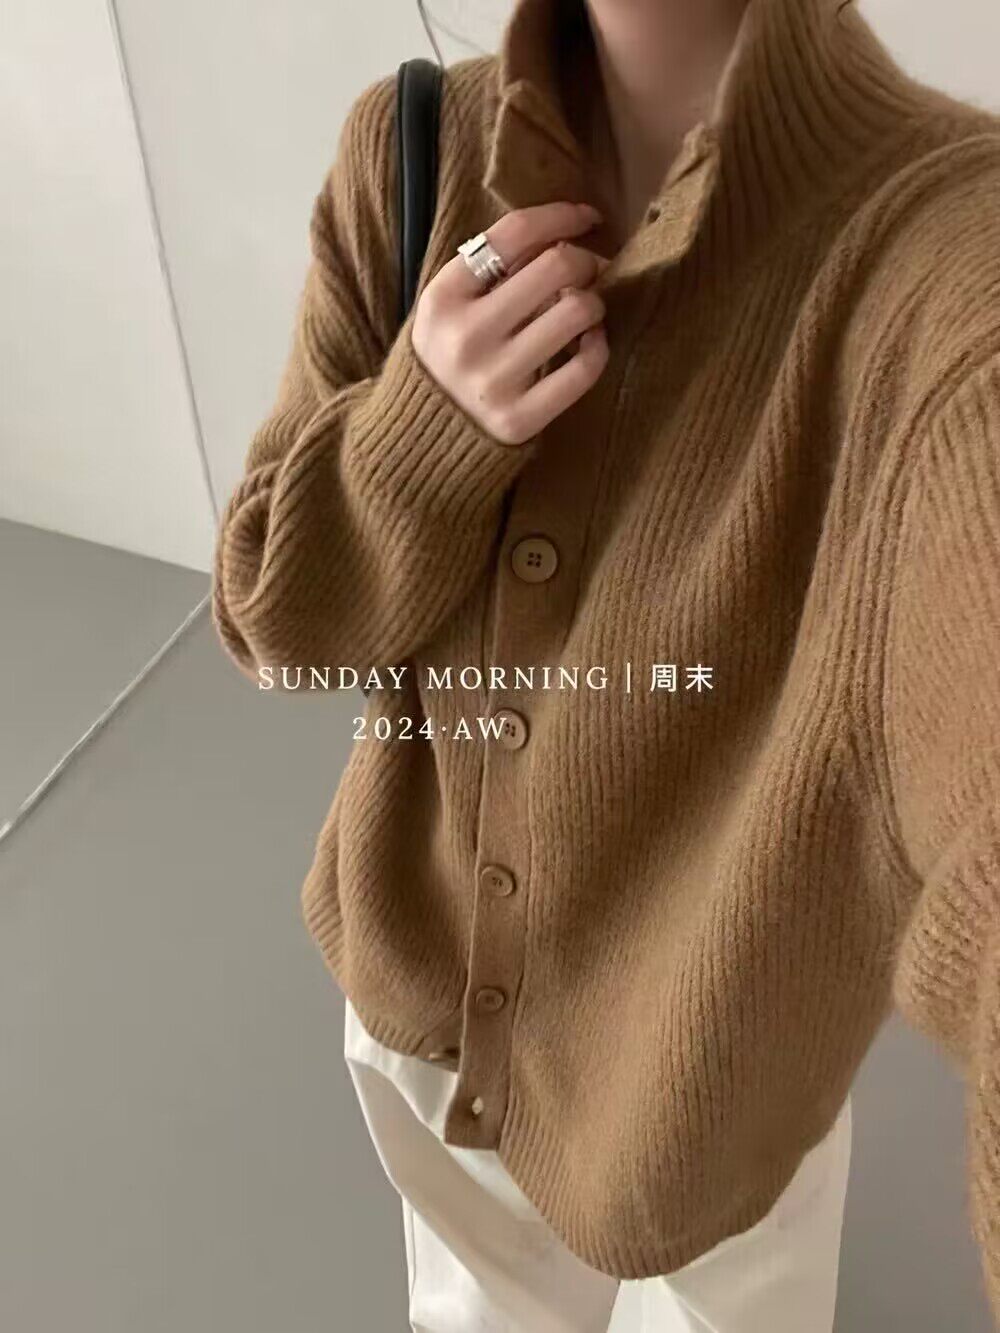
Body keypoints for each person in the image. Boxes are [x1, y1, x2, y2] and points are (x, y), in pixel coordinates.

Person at [210, 0, 1000, 1327]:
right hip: (420, 1009)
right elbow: (267, 617)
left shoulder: (947, 265)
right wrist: (421, 433)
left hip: (716, 1093)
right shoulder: (410, 153)